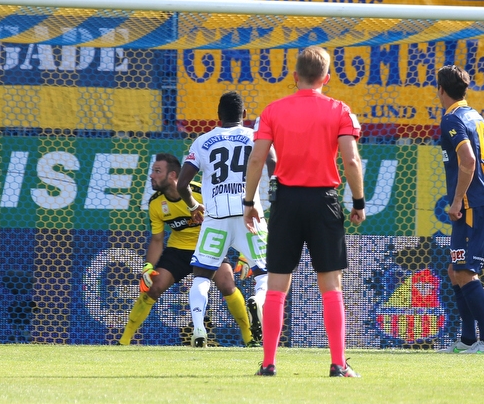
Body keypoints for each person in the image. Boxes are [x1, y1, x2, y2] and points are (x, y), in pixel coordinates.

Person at [242, 46, 366, 378]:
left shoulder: (272, 111)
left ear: (295, 76)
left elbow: (256, 159)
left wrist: (249, 202)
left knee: (277, 285)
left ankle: (268, 364)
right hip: (324, 200)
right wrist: (358, 202)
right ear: (326, 77)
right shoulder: (340, 110)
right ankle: (338, 364)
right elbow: (352, 160)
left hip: (286, 201)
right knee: (331, 286)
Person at [118, 153, 254, 346]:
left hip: (208, 247)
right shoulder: (156, 203)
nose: (151, 176)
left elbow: (236, 219)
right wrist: (148, 266)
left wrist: (244, 254)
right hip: (177, 251)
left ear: (173, 175)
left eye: (157, 171)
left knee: (228, 286)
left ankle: (249, 339)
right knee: (153, 288)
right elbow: (157, 240)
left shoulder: (202, 192)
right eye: (152, 171)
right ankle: (124, 341)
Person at [177, 91, 274, 348]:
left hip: (216, 215)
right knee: (266, 273)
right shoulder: (256, 136)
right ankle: (258, 303)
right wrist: (276, 191)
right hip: (250, 213)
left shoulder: (203, 141)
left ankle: (199, 329)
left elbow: (182, 184)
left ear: (218, 116)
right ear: (244, 115)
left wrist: (193, 206)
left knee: (201, 275)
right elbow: (274, 161)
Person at [434, 65, 484, 355]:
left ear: (441, 90)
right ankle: (466, 340)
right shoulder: (476, 116)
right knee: (455, 270)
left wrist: (459, 199)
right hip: (483, 200)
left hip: (473, 205)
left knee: (464, 272)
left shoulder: (452, 118)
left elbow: (469, 160)